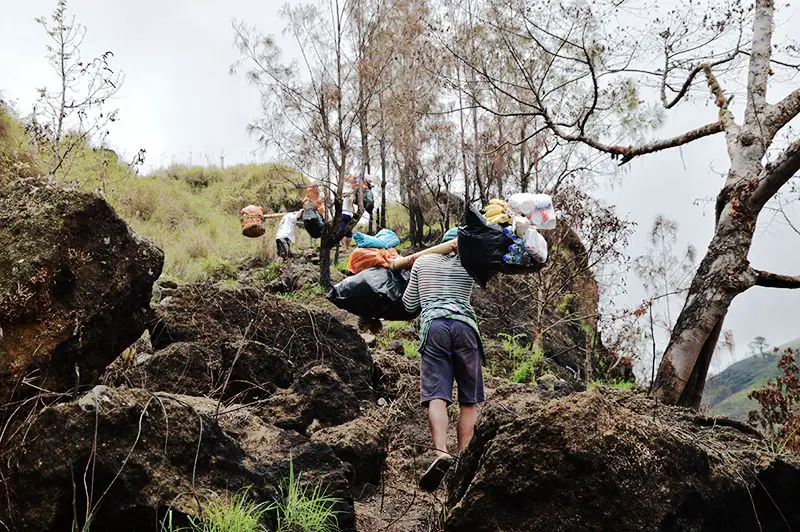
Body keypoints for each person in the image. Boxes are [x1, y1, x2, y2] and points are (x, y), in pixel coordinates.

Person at [401, 228, 483, 493]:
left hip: (434, 327)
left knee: (437, 395)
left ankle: (441, 453)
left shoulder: (423, 261)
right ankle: (464, 457)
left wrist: (413, 272)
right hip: (465, 328)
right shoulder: (470, 263)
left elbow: (408, 304)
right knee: (469, 399)